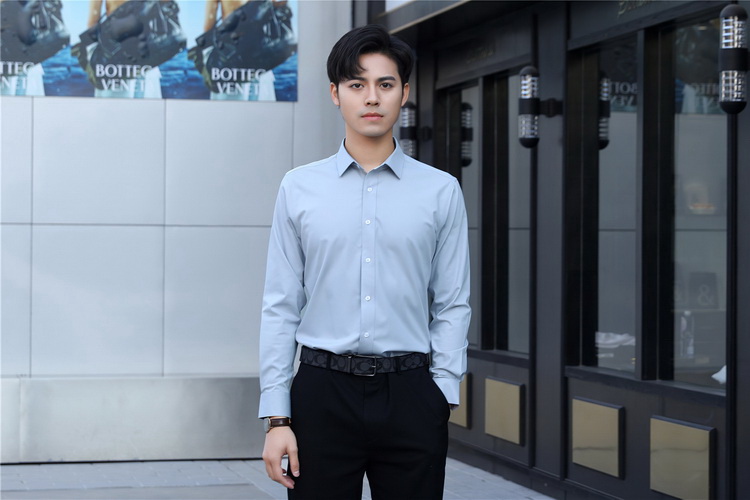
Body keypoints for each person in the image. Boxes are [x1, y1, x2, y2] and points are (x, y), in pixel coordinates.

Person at [258, 24, 471, 500]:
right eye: (357, 84)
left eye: (385, 84)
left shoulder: (440, 191)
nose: (372, 97)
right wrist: (277, 417)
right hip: (321, 393)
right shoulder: (299, 188)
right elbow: (280, 305)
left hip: (412, 394)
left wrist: (441, 393)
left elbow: (453, 302)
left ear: (404, 93)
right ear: (336, 94)